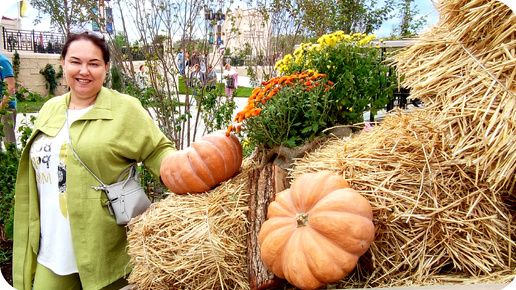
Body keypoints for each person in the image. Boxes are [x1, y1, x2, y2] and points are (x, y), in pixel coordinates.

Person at [12, 32, 176, 290]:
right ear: (63, 63)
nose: (83, 71)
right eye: (75, 61)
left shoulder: (125, 109)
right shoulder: (50, 109)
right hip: (52, 250)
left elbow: (158, 152)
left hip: (106, 253)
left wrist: (186, 170)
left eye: (94, 63)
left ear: (106, 67)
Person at [0, 53, 16, 144]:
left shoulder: (3, 61)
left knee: (9, 143)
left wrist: (1, 108)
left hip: (6, 108)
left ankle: (13, 158)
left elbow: (10, 88)